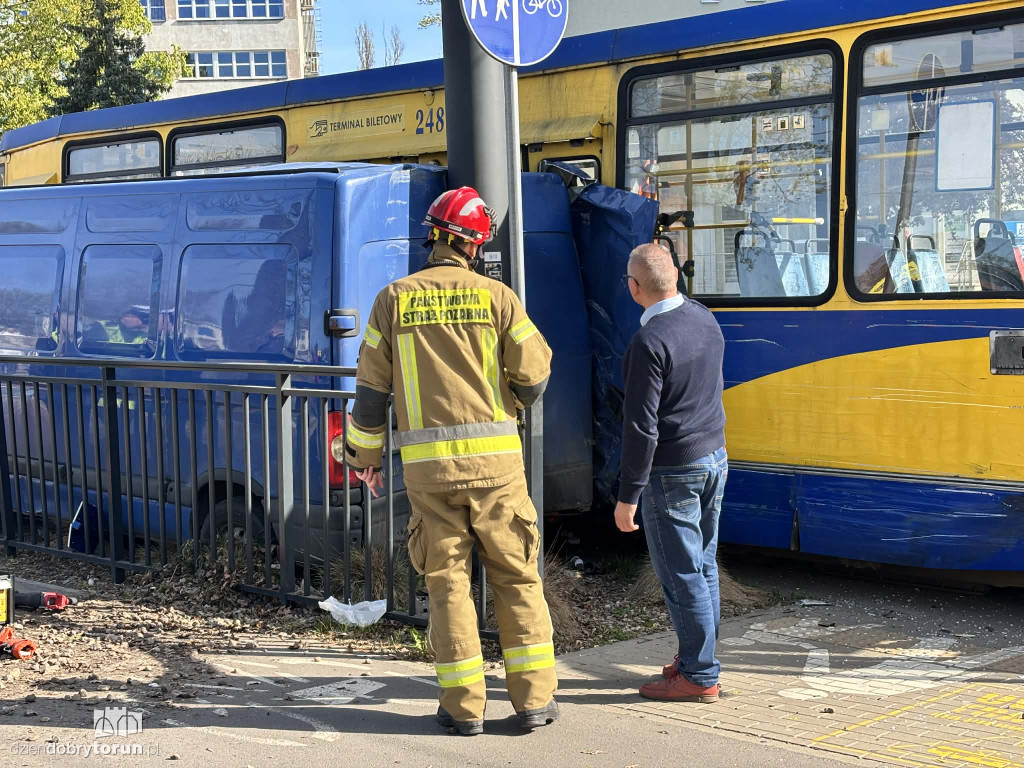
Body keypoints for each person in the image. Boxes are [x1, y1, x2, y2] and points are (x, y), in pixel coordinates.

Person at [344, 187, 559, 735]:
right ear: (476, 246)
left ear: (433, 237)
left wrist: (364, 456)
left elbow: (371, 392)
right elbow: (533, 377)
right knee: (516, 578)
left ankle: (463, 710)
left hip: (429, 474)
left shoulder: (394, 298)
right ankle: (533, 702)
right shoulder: (498, 298)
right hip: (497, 470)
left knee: (447, 584)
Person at [614, 243, 727, 703]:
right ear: (676, 276)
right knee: (703, 567)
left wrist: (628, 495)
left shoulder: (649, 341)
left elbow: (641, 427)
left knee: (681, 575)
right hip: (715, 458)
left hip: (673, 470)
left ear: (634, 287)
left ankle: (700, 675)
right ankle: (698, 659)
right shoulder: (704, 317)